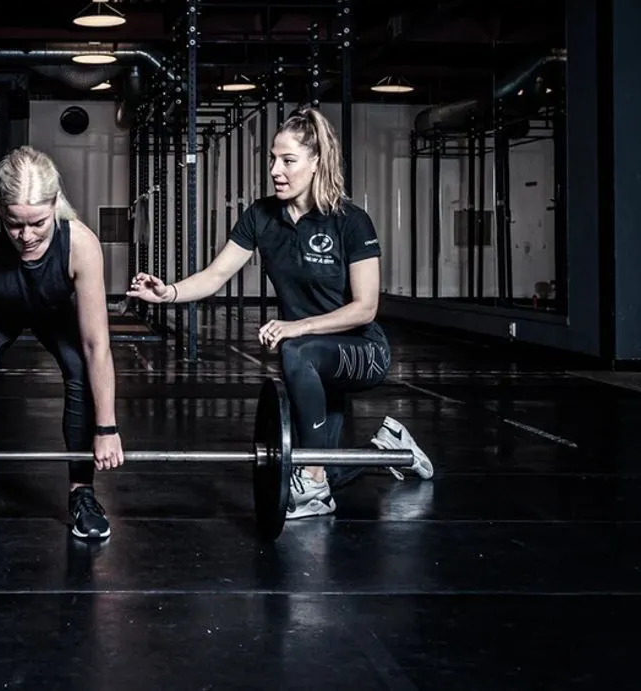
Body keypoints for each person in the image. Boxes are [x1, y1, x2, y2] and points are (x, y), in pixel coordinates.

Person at [128, 107, 433, 520]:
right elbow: (216, 275)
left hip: (362, 351)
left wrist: (297, 327)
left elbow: (366, 308)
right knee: (319, 466)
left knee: (296, 361)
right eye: (273, 159)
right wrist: (168, 293)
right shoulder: (261, 216)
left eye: (288, 161)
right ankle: (388, 447)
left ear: (316, 162)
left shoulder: (351, 221)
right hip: (311, 356)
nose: (275, 170)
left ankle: (315, 481)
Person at [0, 145, 124, 540]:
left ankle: (82, 492)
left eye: (38, 224)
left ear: (55, 203)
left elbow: (96, 343)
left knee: (81, 366)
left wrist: (107, 427)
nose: (26, 236)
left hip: (54, 314)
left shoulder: (81, 244)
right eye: (14, 224)